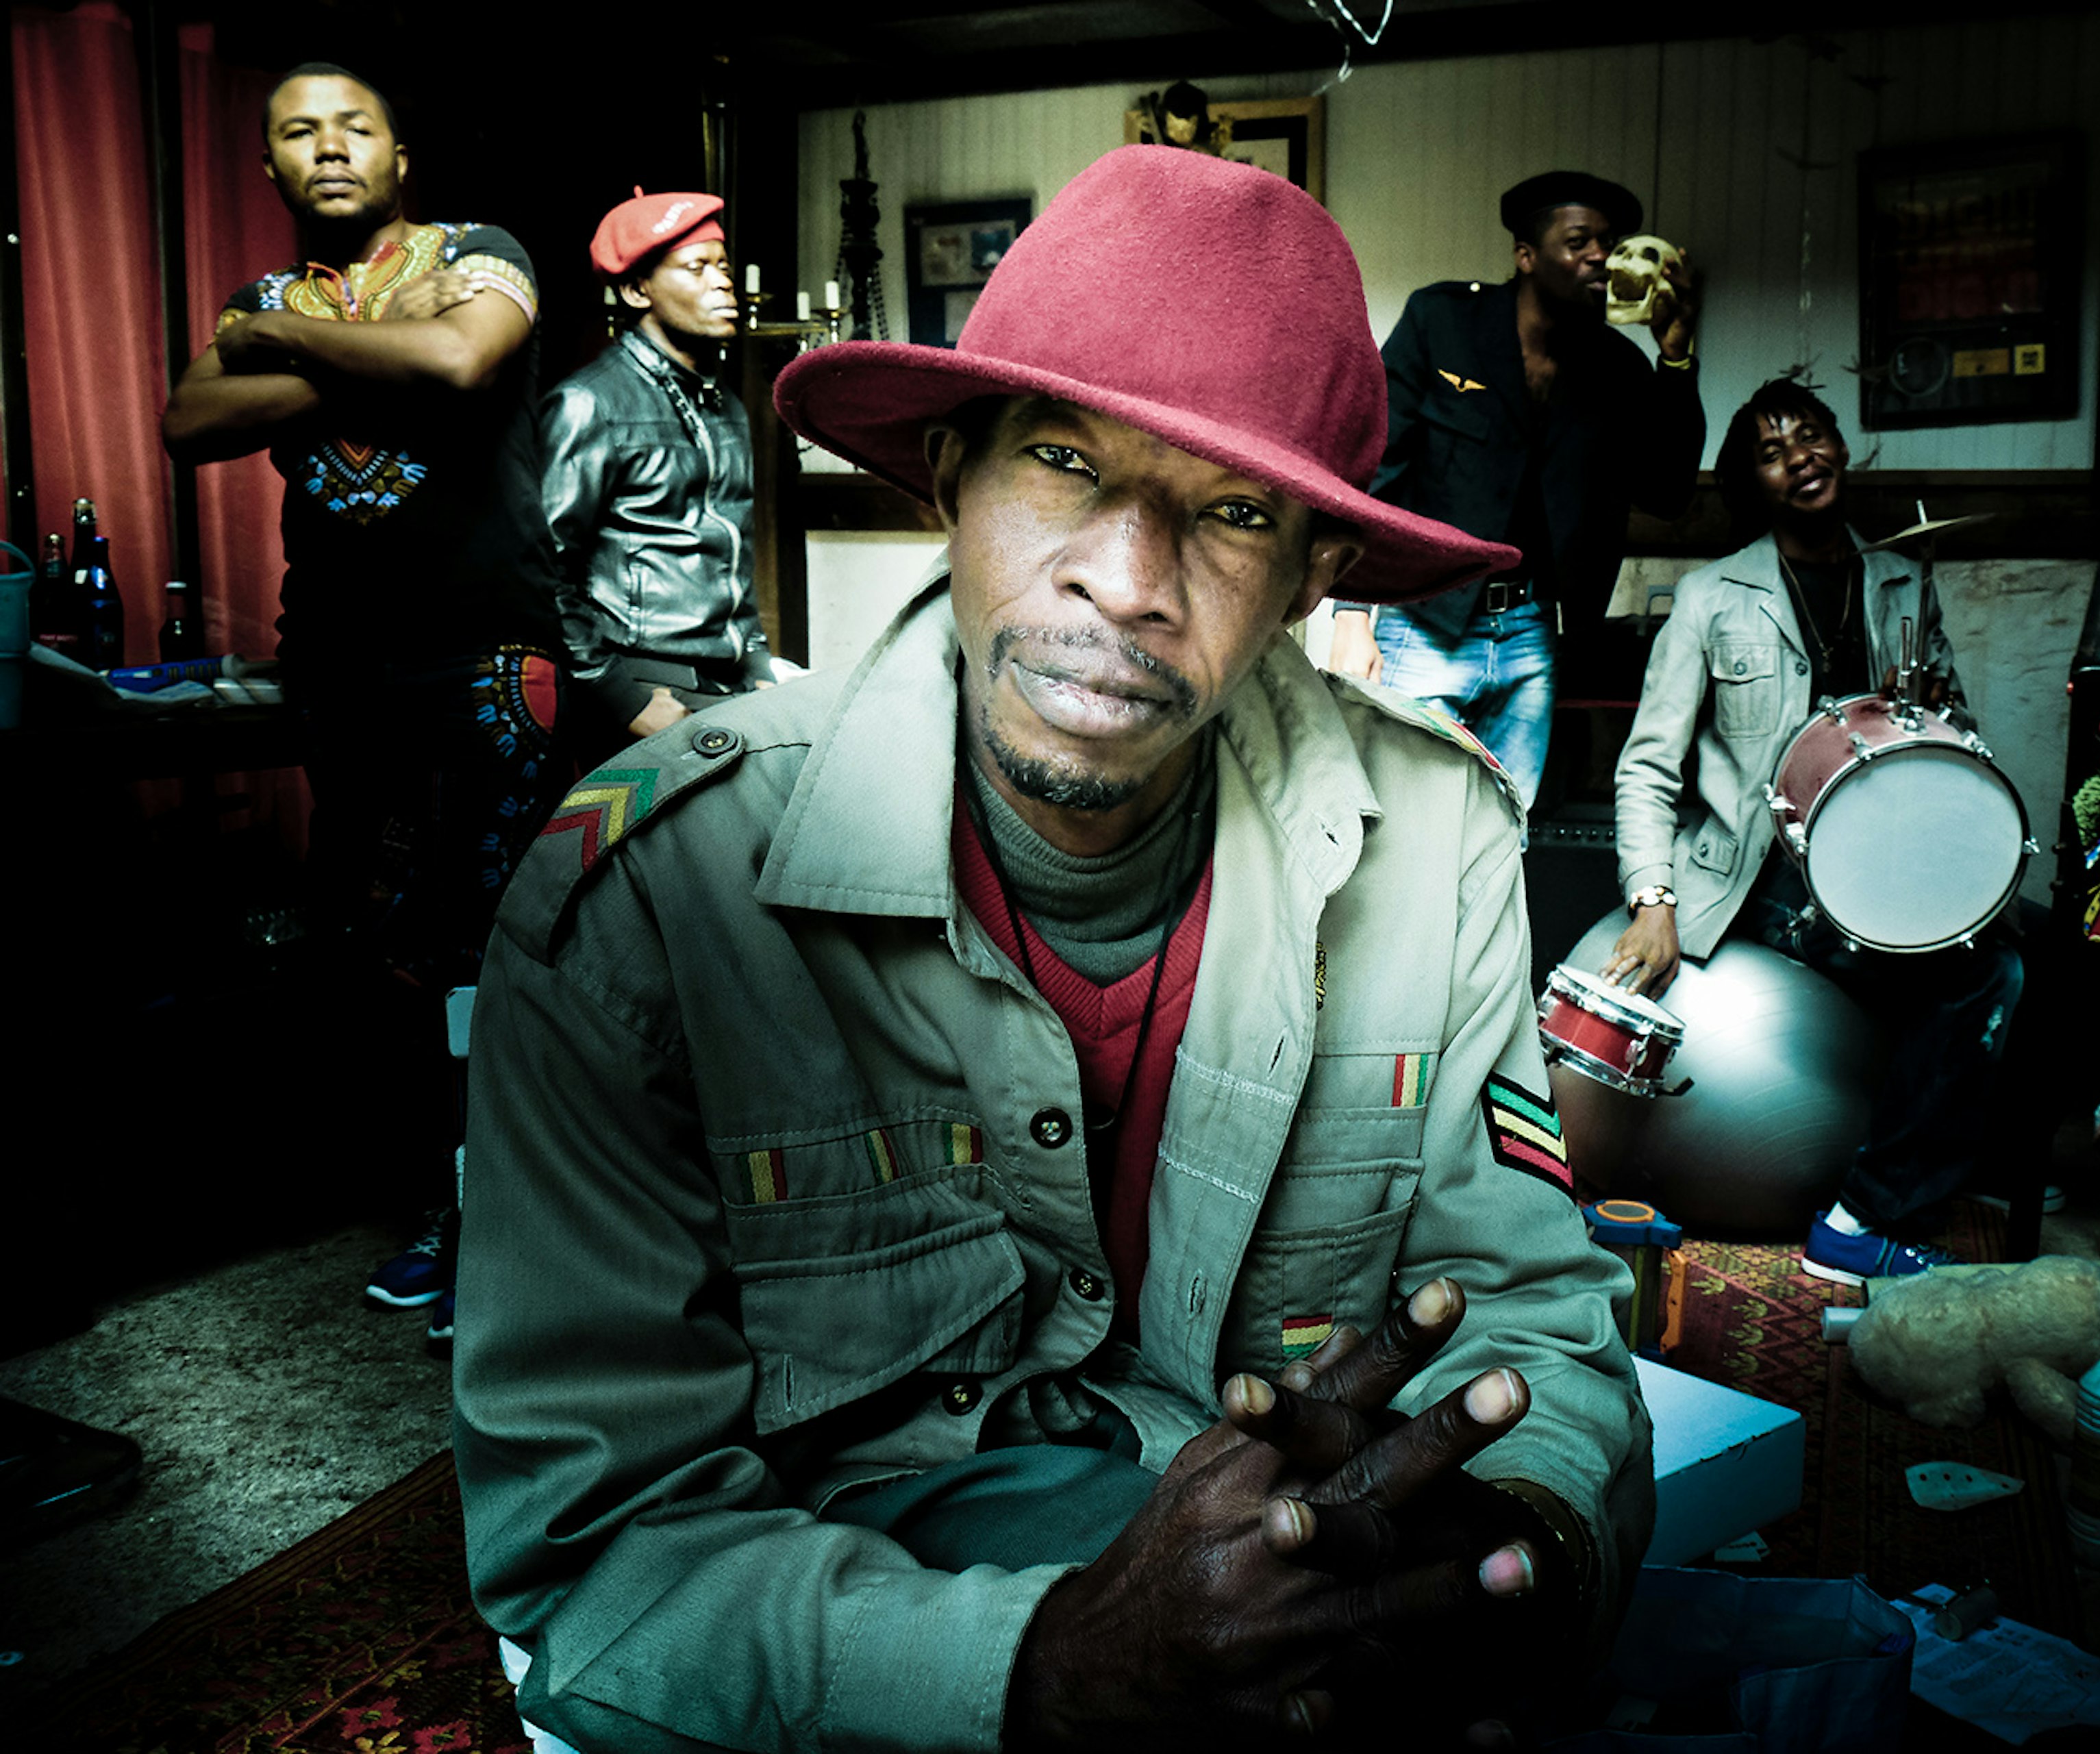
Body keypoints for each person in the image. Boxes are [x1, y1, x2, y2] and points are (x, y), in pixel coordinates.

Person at [452, 146, 1652, 1753]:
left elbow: (1530, 1316)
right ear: (947, 477)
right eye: (1066, 467)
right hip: (855, 1646)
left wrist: (1505, 1555)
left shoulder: (1432, 837)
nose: (1126, 581)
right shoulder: (651, 889)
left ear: (1313, 573)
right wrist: (1042, 1664)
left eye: (1230, 512)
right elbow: (590, 1551)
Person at [160, 62, 561, 1325]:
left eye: (355, 127)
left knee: (495, 950)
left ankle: (510, 1227)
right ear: (272, 168)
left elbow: (458, 357)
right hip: (340, 666)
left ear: (399, 157)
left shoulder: (479, 251)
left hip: (487, 658)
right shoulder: (263, 294)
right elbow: (187, 420)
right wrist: (341, 346)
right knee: (383, 950)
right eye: (298, 132)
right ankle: (438, 1207)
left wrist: (281, 348)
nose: (327, 147)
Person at [1599, 379, 2024, 1284]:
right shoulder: (1713, 597)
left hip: (1887, 863)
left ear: (1840, 446)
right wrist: (1653, 898)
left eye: (1812, 433)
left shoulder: (1906, 578)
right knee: (1974, 975)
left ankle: (1921, 1179)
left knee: (2020, 941)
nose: (1800, 455)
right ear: (1750, 482)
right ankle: (1860, 1220)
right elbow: (1645, 766)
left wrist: (1941, 728)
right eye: (1771, 447)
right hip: (1762, 882)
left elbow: (1945, 735)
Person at [1328, 170, 1705, 801]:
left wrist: (1676, 356)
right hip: (1423, 620)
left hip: (1534, 632)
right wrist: (1351, 612)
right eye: (1579, 242)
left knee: (1506, 835)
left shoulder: (1617, 366)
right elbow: (1375, 466)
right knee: (1404, 819)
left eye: (1608, 245)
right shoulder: (1441, 321)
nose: (1600, 259)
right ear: (1526, 256)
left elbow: (1667, 492)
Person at [539, 189, 774, 766]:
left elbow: (732, 557)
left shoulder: (728, 409)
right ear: (636, 290)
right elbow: (543, 569)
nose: (724, 284)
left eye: (723, 267)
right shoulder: (589, 403)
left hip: (727, 683)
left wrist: (762, 669)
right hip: (643, 685)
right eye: (697, 268)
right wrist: (624, 699)